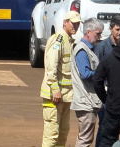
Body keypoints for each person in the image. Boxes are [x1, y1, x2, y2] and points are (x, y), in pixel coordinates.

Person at [40, 10, 81, 147]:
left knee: (63, 133)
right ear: (65, 23)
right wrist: (55, 89)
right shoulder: (58, 40)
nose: (75, 26)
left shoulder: (70, 41)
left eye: (77, 24)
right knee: (52, 135)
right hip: (54, 95)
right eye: (73, 23)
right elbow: (51, 67)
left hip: (66, 96)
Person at [94, 16, 120, 147]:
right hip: (106, 97)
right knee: (104, 128)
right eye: (117, 29)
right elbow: (97, 75)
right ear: (110, 29)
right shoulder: (101, 48)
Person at [72, 18, 104, 147]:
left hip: (88, 101)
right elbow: (85, 73)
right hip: (85, 102)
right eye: (97, 34)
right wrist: (101, 73)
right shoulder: (82, 50)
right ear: (88, 32)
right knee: (85, 139)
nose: (99, 37)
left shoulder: (88, 49)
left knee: (85, 138)